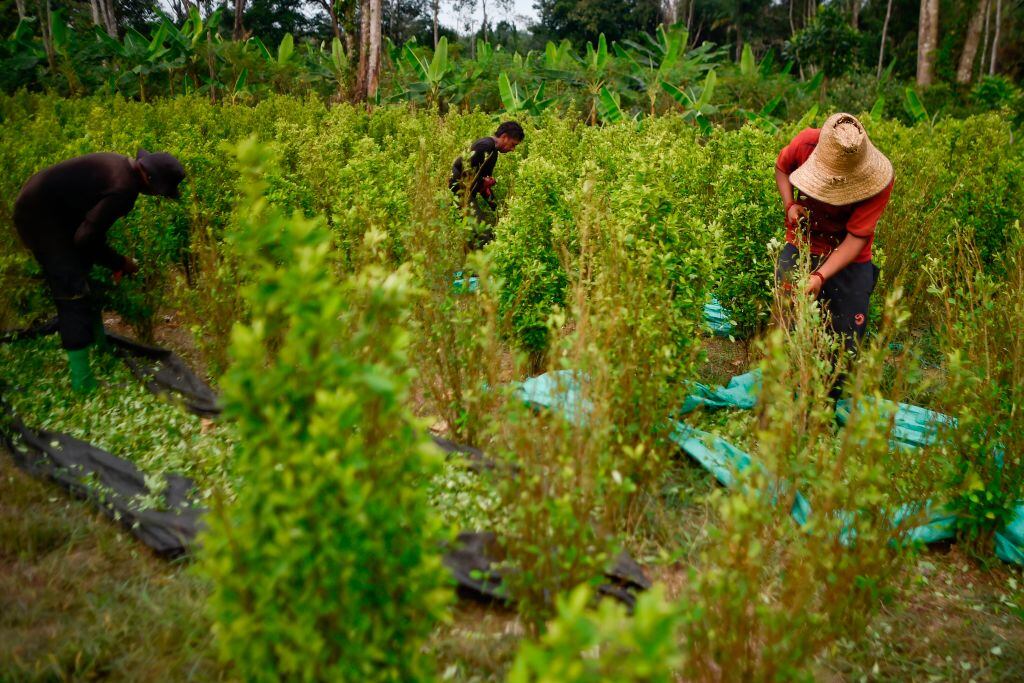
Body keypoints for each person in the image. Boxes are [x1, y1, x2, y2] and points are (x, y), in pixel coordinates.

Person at [13, 150, 186, 393]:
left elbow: (89, 232)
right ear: (149, 179)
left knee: (83, 271)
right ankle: (83, 384)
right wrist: (120, 262)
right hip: (39, 216)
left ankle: (98, 346)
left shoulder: (120, 168)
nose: (157, 196)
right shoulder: (123, 187)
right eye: (160, 191)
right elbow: (85, 239)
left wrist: (112, 262)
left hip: (53, 211)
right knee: (71, 288)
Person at [450, 121, 524, 246]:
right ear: (504, 137)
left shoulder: (493, 152)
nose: (512, 149)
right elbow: (462, 168)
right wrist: (481, 182)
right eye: (513, 145)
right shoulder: (485, 146)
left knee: (480, 231)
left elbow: (484, 186)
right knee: (482, 233)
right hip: (457, 190)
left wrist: (498, 209)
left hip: (466, 193)